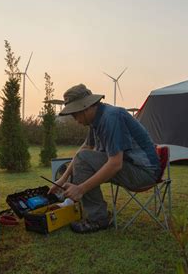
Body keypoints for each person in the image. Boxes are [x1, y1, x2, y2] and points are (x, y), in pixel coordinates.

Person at [49, 84, 160, 234]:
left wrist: (81, 189)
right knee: (83, 158)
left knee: (83, 160)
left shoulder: (110, 118)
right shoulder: (97, 119)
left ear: (86, 107)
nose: (75, 120)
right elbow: (85, 148)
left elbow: (115, 164)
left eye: (75, 115)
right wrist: (62, 180)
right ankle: (85, 209)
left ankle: (98, 219)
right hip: (131, 168)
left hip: (143, 173)